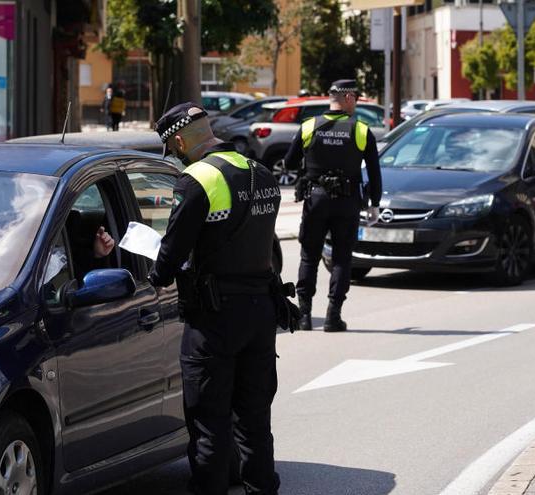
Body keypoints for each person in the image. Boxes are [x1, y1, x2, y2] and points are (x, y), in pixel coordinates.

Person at [147, 102, 284, 495]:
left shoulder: (197, 179)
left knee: (209, 423)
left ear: (177, 140)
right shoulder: (262, 173)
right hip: (261, 314)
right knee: (255, 421)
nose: (174, 154)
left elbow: (171, 254)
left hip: (214, 319)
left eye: (172, 148)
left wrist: (157, 276)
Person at [283, 79, 382, 332]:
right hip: (347, 202)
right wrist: (375, 203)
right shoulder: (360, 130)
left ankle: (304, 316)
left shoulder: (308, 127)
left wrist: (312, 168)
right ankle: (332, 316)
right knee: (341, 258)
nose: (356, 104)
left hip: (315, 200)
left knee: (309, 257)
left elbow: (289, 163)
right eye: (356, 99)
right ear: (348, 98)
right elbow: (374, 171)